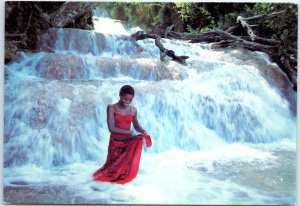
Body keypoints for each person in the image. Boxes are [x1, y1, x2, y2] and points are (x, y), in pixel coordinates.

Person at [92, 85, 152, 184]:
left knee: (124, 166)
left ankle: (120, 181)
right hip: (115, 142)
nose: (127, 101)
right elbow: (111, 128)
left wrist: (143, 131)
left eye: (130, 100)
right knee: (111, 168)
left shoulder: (133, 110)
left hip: (127, 141)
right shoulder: (111, 108)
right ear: (120, 94)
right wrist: (128, 132)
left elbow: (136, 125)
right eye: (125, 99)